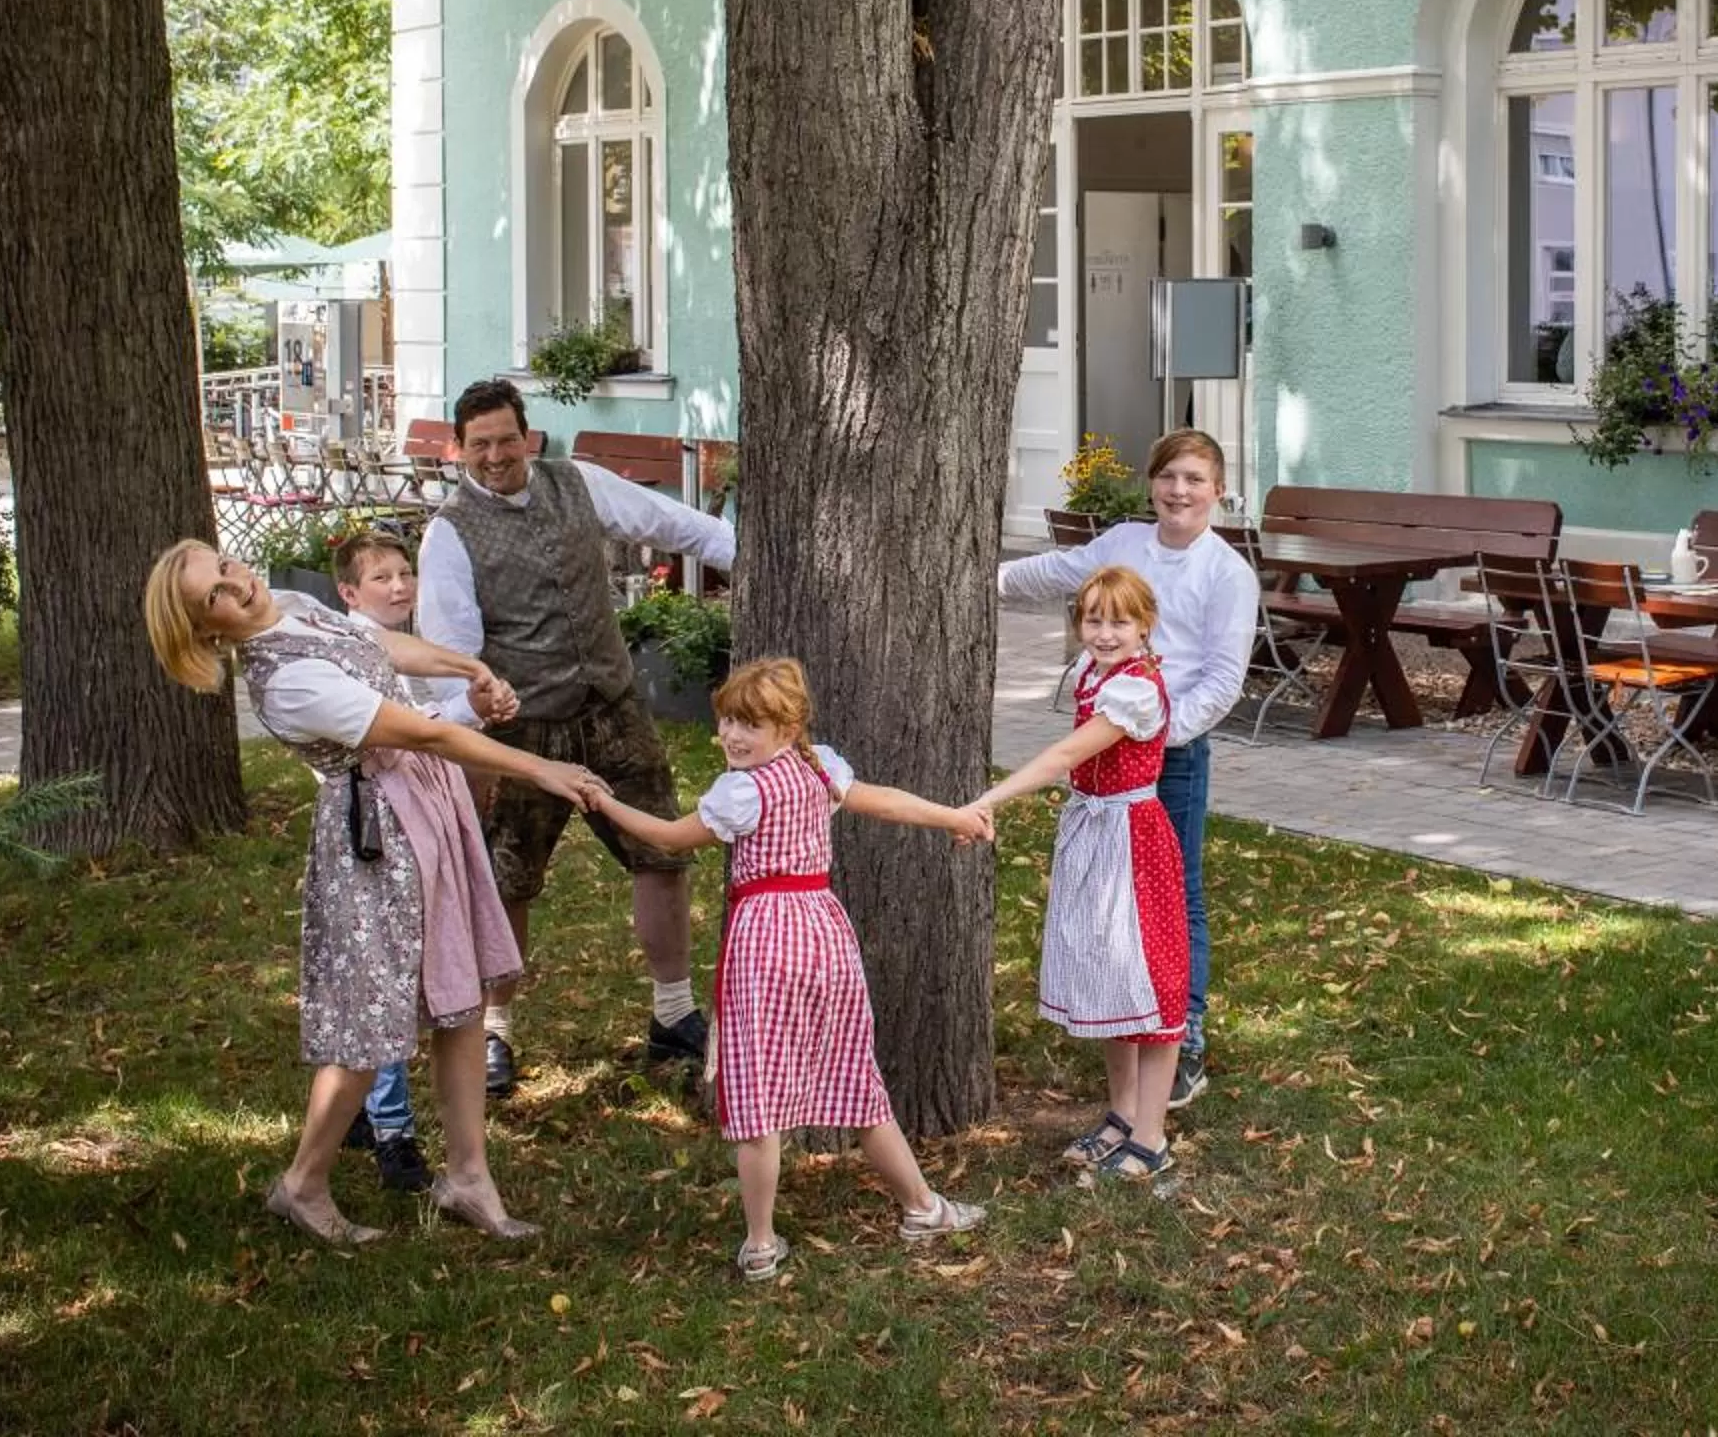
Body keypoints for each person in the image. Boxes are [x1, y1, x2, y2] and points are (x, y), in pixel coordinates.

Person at [143, 540, 601, 1246]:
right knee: (368, 1027)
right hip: (380, 840)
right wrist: (542, 767)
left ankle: (469, 1177)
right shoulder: (285, 683)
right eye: (215, 596)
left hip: (428, 806)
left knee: (463, 993)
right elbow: (420, 731)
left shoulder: (291, 609)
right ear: (207, 630)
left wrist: (468, 666)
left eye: (227, 568)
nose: (237, 586)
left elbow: (378, 645)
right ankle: (303, 1184)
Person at [586, 657, 992, 1281]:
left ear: (789, 725)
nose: (731, 736)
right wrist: (953, 816)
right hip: (824, 931)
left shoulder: (743, 791)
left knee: (758, 1092)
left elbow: (669, 837)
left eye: (750, 724)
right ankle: (921, 1206)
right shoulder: (818, 766)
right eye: (725, 721)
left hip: (767, 942)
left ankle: (760, 1242)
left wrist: (603, 803)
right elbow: (881, 801)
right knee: (853, 1072)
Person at [416, 377, 737, 1097]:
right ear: (457, 449)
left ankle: (673, 1013)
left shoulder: (577, 483)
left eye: (506, 439)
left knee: (661, 849)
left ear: (526, 435)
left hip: (613, 706)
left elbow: (671, 524)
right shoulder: (449, 534)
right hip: (521, 724)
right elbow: (450, 656)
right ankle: (495, 1031)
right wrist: (472, 739)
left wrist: (744, 551)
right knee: (509, 878)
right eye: (480, 445)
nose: (495, 456)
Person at [995, 430, 1257, 1108]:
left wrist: (1155, 731)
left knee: (1177, 893)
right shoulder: (1124, 544)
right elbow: (1059, 572)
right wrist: (984, 580)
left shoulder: (1226, 573)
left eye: (1196, 479)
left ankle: (1184, 1030)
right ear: (1152, 483)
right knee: (1117, 896)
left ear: (1217, 490)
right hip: (1105, 751)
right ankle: (1122, 1011)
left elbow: (1224, 681)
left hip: (1168, 754)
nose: (1180, 491)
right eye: (1169, 476)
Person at [970, 567, 1188, 1192]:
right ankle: (1121, 1114)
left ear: (1145, 624)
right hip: (1096, 832)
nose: (1105, 631)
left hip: (1131, 839)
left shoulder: (1137, 690)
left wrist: (990, 798)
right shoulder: (1098, 675)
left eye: (1119, 620)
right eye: (1093, 618)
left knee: (1147, 976)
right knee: (1105, 976)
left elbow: (1066, 756)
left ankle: (1152, 1135)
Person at [330, 528, 432, 1194]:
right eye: (382, 579)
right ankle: (392, 1129)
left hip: (409, 825)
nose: (398, 587)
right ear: (348, 593)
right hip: (370, 833)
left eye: (404, 574)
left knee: (379, 973)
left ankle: (359, 1112)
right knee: (386, 976)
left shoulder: (407, 652)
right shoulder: (352, 649)